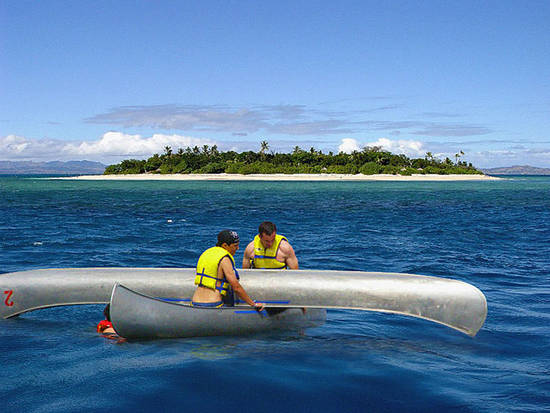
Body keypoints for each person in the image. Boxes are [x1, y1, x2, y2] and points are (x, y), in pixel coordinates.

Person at [192, 229, 265, 311]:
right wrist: (253, 304)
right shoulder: (224, 258)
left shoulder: (206, 253)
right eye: (235, 246)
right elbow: (236, 287)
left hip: (195, 303)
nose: (237, 248)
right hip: (213, 305)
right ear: (225, 245)